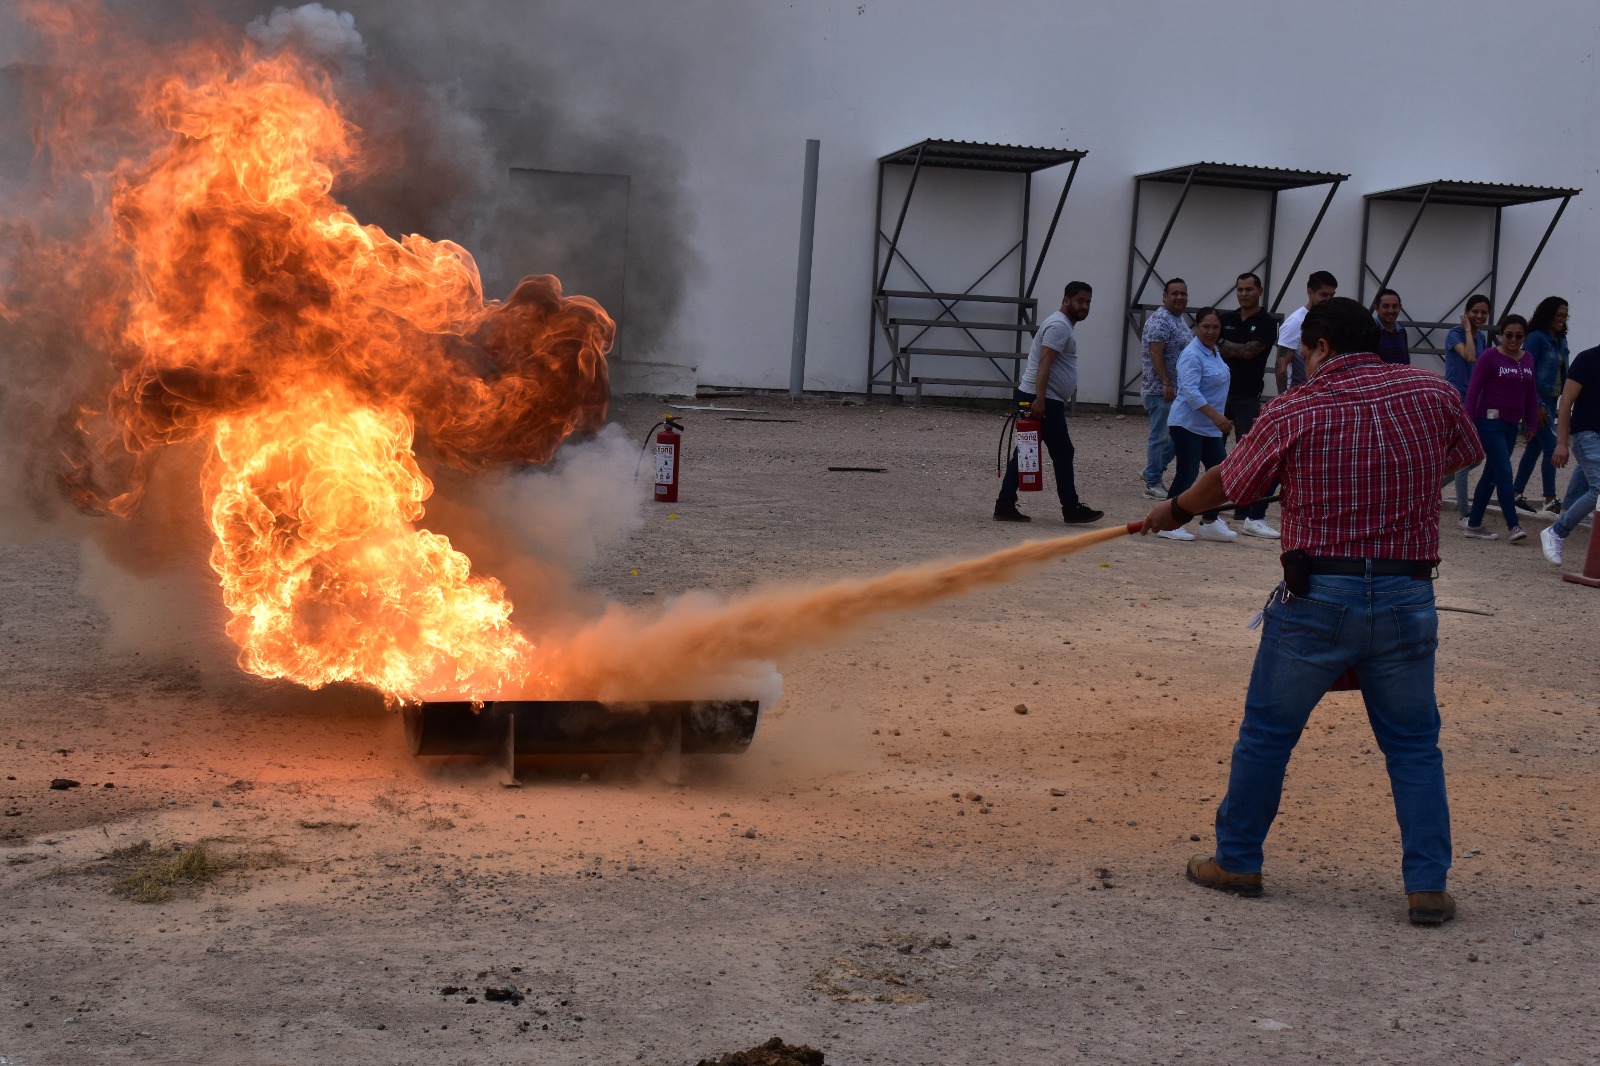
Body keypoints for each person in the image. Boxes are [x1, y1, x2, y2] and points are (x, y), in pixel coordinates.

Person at [1141, 296, 1483, 926]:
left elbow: (1230, 481)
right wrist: (1405, 487)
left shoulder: (1295, 408)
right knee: (1414, 746)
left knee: (1268, 735)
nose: (1299, 359)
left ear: (1321, 345)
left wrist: (1176, 509)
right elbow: (1467, 453)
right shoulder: (1432, 393)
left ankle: (1238, 860)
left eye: (1302, 349)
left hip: (1319, 596)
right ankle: (1427, 885)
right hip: (1409, 595)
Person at [993, 281, 1104, 524]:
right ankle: (1071, 508)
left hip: (1041, 398)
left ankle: (1004, 505)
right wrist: (1040, 399)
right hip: (1042, 400)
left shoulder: (1062, 324)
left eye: (1088, 301)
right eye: (1080, 300)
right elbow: (1045, 363)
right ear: (1066, 300)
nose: (1084, 306)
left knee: (1026, 451)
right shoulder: (1059, 326)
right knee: (1061, 451)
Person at [1158, 307, 1236, 542]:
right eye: (1205, 327)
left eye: (1215, 327)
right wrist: (1217, 417)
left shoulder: (1213, 352)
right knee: (1187, 472)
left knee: (1221, 474)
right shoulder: (1192, 353)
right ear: (1196, 328)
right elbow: (1190, 391)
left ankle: (1210, 520)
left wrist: (1217, 419)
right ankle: (1167, 522)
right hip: (1188, 424)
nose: (1210, 332)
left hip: (1209, 427)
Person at [1462, 314, 1541, 542]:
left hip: (1511, 424)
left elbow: (1530, 393)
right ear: (1501, 334)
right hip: (1489, 421)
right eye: (1509, 335)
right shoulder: (1489, 356)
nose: (1514, 340)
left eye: (1519, 336)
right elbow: (1474, 390)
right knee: (1505, 472)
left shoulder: (1528, 359)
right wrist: (1468, 421)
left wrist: (1532, 422)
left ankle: (1474, 523)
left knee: (1493, 474)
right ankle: (1513, 525)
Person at [1219, 273, 1281, 539]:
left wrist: (1225, 345)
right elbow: (1218, 347)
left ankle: (1243, 507)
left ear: (1260, 291)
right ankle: (1214, 500)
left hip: (1247, 395)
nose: (1244, 294)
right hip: (1220, 394)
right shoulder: (1227, 319)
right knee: (1213, 450)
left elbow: (1249, 352)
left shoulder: (1267, 322)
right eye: (1240, 290)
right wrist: (1233, 347)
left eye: (1249, 289)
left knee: (1246, 453)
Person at [1540, 340, 1600, 566]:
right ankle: (1556, 531)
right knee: (1599, 489)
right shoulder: (1587, 359)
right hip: (1588, 434)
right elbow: (1566, 403)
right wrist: (1562, 442)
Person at [1513, 296, 1569, 518]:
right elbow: (1526, 371)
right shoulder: (1536, 338)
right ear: (1548, 315)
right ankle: (1548, 500)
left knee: (1535, 448)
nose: (1563, 320)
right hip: (1537, 399)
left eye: (1565, 316)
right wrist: (1536, 404)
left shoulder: (1561, 340)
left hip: (1553, 398)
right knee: (1551, 447)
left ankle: (1515, 494)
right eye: (1559, 315)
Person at [1139, 279, 1192, 499]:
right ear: (1164, 296)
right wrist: (1166, 383)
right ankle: (1152, 483)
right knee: (1160, 437)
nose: (1179, 297)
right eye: (1174, 293)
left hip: (1177, 391)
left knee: (1178, 437)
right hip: (1160, 390)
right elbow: (1156, 353)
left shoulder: (1179, 320)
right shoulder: (1160, 321)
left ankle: (1153, 469)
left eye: (1183, 293)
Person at [1443, 295, 1491, 520]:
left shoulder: (1480, 337)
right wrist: (1468, 330)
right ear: (1466, 312)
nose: (1479, 316)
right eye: (1475, 312)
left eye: (1484, 313)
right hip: (1457, 399)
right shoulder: (1456, 334)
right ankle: (1464, 513)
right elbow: (1470, 357)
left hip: (1474, 401)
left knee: (1475, 456)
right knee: (1466, 455)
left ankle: (1432, 487)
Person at [1274, 270, 1336, 393]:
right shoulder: (1295, 322)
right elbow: (1281, 364)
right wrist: (1283, 398)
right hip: (1299, 390)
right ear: (1310, 292)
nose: (1328, 300)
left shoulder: (1330, 318)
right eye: (1323, 295)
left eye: (1332, 295)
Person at [1372, 288, 1410, 365]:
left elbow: (1406, 360)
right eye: (1386, 306)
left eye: (1395, 306)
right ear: (1376, 308)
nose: (1391, 311)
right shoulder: (1369, 330)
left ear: (1400, 307)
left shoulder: (1401, 330)